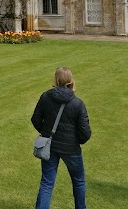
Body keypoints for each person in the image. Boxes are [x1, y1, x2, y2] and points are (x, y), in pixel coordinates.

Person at [32, 67, 92, 209]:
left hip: (51, 145)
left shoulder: (46, 97)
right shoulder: (78, 103)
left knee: (47, 183)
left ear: (56, 79)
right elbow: (85, 132)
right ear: (71, 80)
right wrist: (76, 141)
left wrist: (46, 133)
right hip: (70, 148)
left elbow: (35, 119)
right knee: (78, 181)